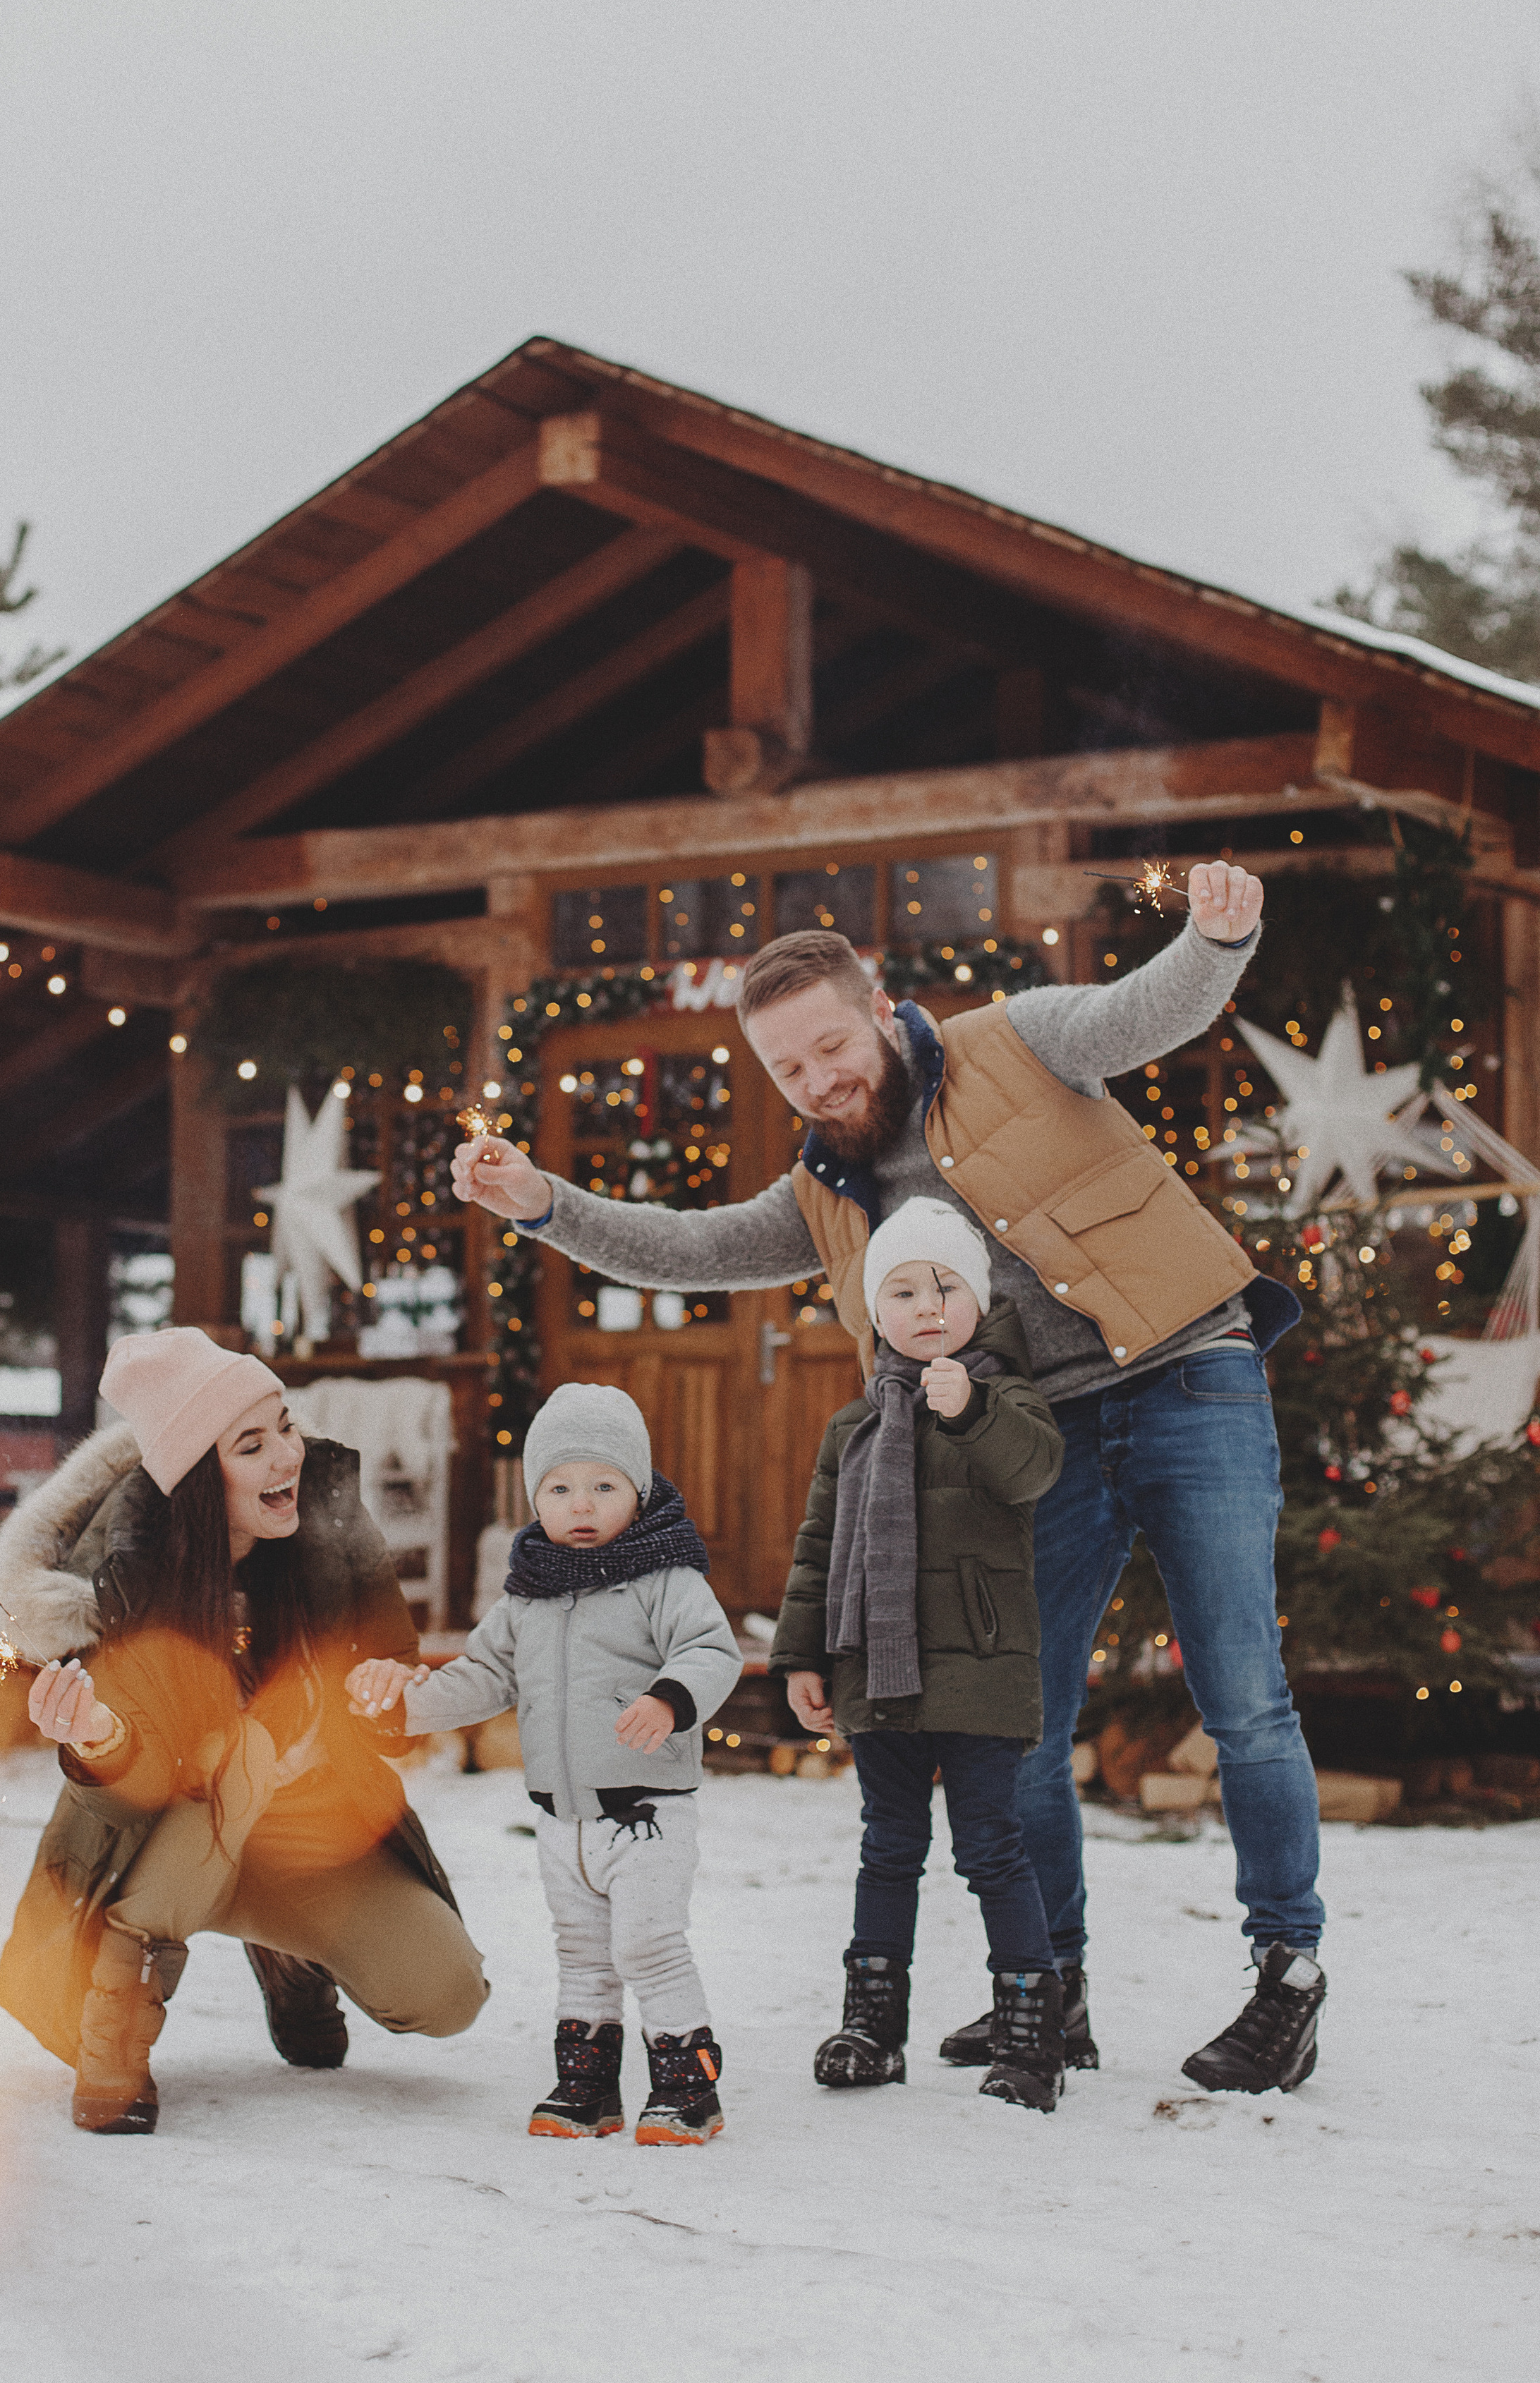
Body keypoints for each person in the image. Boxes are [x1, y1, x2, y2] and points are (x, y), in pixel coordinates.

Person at [452, 868, 1329, 2099]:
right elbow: (694, 1247)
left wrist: (1218, 938)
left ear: (877, 1005)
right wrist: (546, 1203)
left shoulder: (1016, 1040)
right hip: (1031, 1437)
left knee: (1242, 1697)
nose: (819, 1081)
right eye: (790, 1071)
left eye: (829, 1046)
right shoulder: (822, 1190)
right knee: (1020, 1723)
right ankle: (1051, 1989)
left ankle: (1287, 1969)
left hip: (1189, 1371)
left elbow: (1144, 1013)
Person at [0, 1328, 487, 2133]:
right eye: (251, 1445)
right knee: (243, 1746)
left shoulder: (325, 1525)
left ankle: (290, 1951)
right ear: (193, 1477)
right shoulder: (128, 1575)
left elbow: (390, 1661)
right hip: (174, 1847)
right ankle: (120, 2017)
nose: (287, 1456)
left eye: (285, 1427)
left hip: (306, 1836)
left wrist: (387, 1686)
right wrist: (97, 1740)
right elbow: (127, 1790)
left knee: (447, 1993)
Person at [350, 1383, 742, 2145]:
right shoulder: (527, 1595)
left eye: (603, 1485)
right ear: (537, 1500)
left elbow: (711, 1651)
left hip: (646, 1811)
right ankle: (587, 2086)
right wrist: (406, 1709)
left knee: (647, 1945)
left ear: (639, 1489)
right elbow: (483, 1675)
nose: (581, 1504)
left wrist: (668, 1698)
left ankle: (688, 2086)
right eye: (560, 1488)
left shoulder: (664, 1578)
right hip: (562, 1817)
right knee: (583, 1951)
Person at [774, 1203, 1067, 2109]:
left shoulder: (1007, 1398)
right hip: (878, 1669)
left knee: (990, 1847)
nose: (926, 1305)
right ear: (877, 1314)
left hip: (979, 1668)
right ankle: (871, 2025)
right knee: (888, 1847)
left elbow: (1033, 1470)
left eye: (945, 1286)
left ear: (977, 1300)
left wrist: (975, 1410)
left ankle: (1028, 2029)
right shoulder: (853, 1428)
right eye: (901, 1291)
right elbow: (819, 1548)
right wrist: (804, 1658)